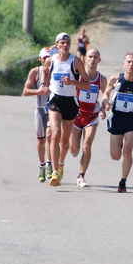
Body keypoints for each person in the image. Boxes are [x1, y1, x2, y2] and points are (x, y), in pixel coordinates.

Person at [40, 33, 91, 186]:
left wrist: (73, 82)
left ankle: (61, 163)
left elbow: (87, 85)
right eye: (62, 43)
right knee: (55, 133)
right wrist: (43, 84)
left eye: (67, 43)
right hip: (55, 100)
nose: (64, 45)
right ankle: (54, 172)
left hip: (70, 102)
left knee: (64, 141)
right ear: (56, 45)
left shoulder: (76, 61)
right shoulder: (50, 60)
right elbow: (45, 71)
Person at [101, 52, 133, 192]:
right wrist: (105, 103)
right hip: (117, 118)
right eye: (128, 62)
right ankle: (119, 143)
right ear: (124, 64)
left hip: (131, 119)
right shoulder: (115, 79)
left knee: (128, 151)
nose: (131, 64)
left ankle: (123, 181)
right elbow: (106, 94)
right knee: (115, 156)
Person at [69, 49, 107, 187]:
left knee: (87, 146)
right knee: (74, 149)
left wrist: (104, 105)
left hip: (92, 115)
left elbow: (105, 95)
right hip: (76, 114)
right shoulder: (77, 75)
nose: (92, 59)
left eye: (95, 57)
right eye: (90, 57)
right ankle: (74, 148)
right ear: (85, 59)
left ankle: (81, 176)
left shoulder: (101, 79)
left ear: (99, 60)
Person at [23, 47, 53, 182]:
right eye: (45, 58)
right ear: (40, 59)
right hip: (40, 109)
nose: (47, 60)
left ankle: (49, 164)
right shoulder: (35, 72)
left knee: (51, 136)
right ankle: (41, 166)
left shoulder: (57, 70)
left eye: (49, 57)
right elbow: (25, 91)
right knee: (41, 140)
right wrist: (38, 91)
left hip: (54, 110)